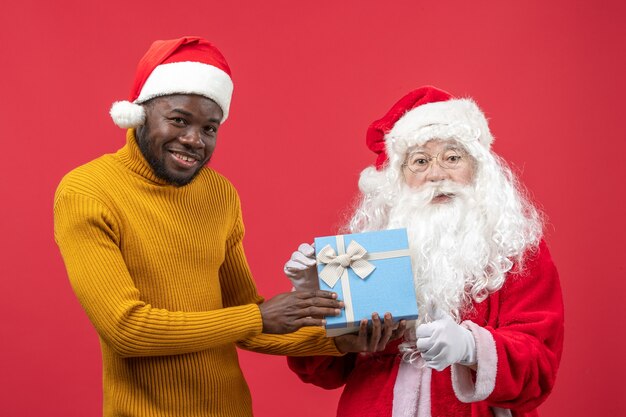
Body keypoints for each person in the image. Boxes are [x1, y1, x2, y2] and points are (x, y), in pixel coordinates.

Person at [53, 37, 401, 417]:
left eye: (210, 128)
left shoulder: (220, 195)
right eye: (179, 119)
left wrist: (341, 341)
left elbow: (245, 320)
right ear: (139, 113)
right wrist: (257, 316)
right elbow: (127, 330)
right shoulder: (87, 191)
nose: (193, 140)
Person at [284, 86, 564, 417]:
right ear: (398, 178)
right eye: (420, 161)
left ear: (478, 167)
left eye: (452, 157)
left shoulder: (516, 250)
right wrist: (313, 299)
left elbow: (540, 367)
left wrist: (471, 347)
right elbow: (319, 371)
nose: (436, 174)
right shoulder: (366, 251)